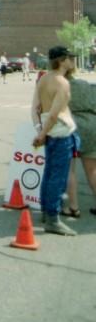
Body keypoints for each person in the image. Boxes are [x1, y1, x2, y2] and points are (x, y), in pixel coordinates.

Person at [31, 45, 79, 236]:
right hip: (59, 132)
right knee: (58, 177)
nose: (72, 61)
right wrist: (41, 135)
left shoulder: (44, 79)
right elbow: (53, 114)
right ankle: (52, 218)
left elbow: (36, 108)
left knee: (49, 172)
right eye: (69, 58)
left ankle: (46, 210)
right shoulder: (62, 83)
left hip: (50, 131)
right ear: (61, 60)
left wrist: (40, 131)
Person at [64, 75, 96, 219]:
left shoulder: (63, 86)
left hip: (72, 125)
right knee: (92, 171)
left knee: (70, 170)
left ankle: (73, 207)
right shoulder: (85, 84)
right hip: (92, 124)